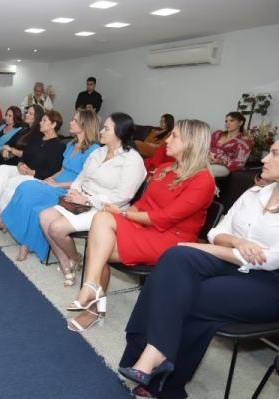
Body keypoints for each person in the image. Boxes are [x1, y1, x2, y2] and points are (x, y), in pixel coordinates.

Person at [118, 140, 279, 399]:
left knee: (190, 295)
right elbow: (217, 232)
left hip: (269, 282)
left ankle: (162, 377)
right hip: (231, 260)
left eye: (274, 154)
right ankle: (156, 354)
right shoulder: (253, 194)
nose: (264, 159)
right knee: (175, 256)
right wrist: (236, 242)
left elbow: (270, 259)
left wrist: (209, 249)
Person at [66, 119, 216, 333]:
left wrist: (123, 214)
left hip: (172, 240)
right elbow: (143, 204)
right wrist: (124, 214)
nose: (167, 140)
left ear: (191, 143)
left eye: (174, 136)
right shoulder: (164, 168)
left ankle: (93, 304)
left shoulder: (203, 180)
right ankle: (91, 288)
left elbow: (166, 218)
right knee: (101, 220)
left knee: (99, 247)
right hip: (145, 227)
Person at [38, 113, 146, 287]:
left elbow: (122, 196)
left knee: (56, 228)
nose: (101, 131)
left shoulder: (132, 160)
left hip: (106, 210)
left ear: (119, 133)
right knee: (44, 217)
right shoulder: (99, 152)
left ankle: (75, 258)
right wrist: (74, 192)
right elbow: (81, 177)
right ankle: (68, 262)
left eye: (106, 128)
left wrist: (87, 200)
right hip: (81, 200)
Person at [0, 110, 100, 262]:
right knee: (26, 189)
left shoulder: (94, 150)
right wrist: (49, 179)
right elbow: (62, 169)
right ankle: (25, 242)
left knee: (27, 189)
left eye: (74, 120)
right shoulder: (71, 144)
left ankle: (3, 222)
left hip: (70, 191)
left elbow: (85, 181)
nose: (70, 122)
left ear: (85, 124)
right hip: (56, 184)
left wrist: (57, 184)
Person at [0, 110, 66, 226]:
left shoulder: (59, 146)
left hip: (37, 177)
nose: (40, 123)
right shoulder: (36, 138)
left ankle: (2, 219)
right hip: (23, 169)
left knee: (7, 185)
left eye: (44, 120)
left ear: (53, 125)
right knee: (3, 168)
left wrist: (31, 172)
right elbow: (24, 155)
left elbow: (51, 171)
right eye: (41, 120)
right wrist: (20, 164)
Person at [209, 111, 252, 177]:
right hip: (207, 160)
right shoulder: (218, 134)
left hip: (223, 166)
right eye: (226, 121)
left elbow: (239, 163)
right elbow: (206, 147)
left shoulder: (244, 141)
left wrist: (220, 161)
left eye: (231, 121)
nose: (227, 123)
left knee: (199, 171)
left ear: (240, 123)